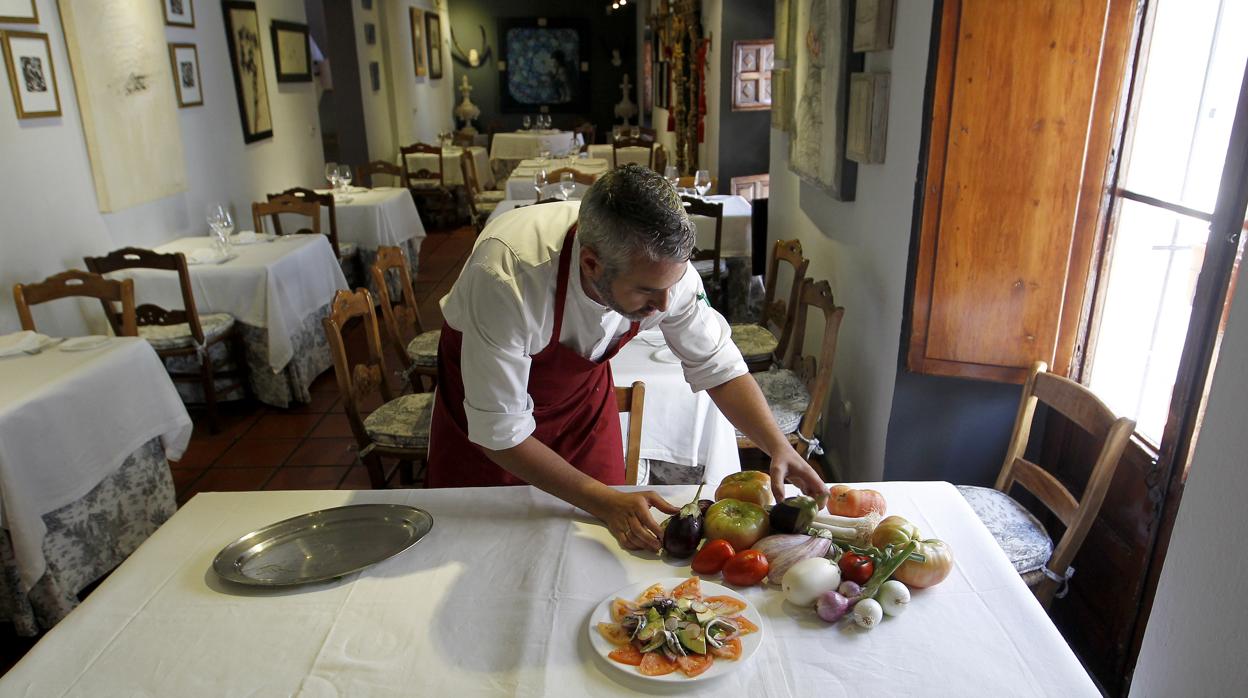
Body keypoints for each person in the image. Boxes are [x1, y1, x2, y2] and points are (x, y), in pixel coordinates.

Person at [428, 165, 826, 552]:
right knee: (489, 550)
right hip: (486, 420)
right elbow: (499, 432)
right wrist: (600, 500)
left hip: (580, 406)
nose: (665, 304)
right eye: (647, 291)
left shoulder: (664, 270)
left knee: (599, 546)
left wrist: (778, 447)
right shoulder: (507, 273)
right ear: (591, 264)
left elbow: (719, 365)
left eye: (672, 285)